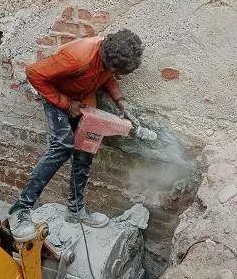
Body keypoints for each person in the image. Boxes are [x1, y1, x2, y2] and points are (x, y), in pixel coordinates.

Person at [8, 29, 144, 243]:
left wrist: (119, 100)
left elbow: (107, 76)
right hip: (57, 96)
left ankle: (76, 210)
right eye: (116, 71)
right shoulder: (78, 57)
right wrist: (65, 104)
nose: (116, 76)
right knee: (63, 145)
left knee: (86, 146)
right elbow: (34, 73)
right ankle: (20, 209)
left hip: (82, 98)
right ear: (107, 59)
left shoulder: (108, 56)